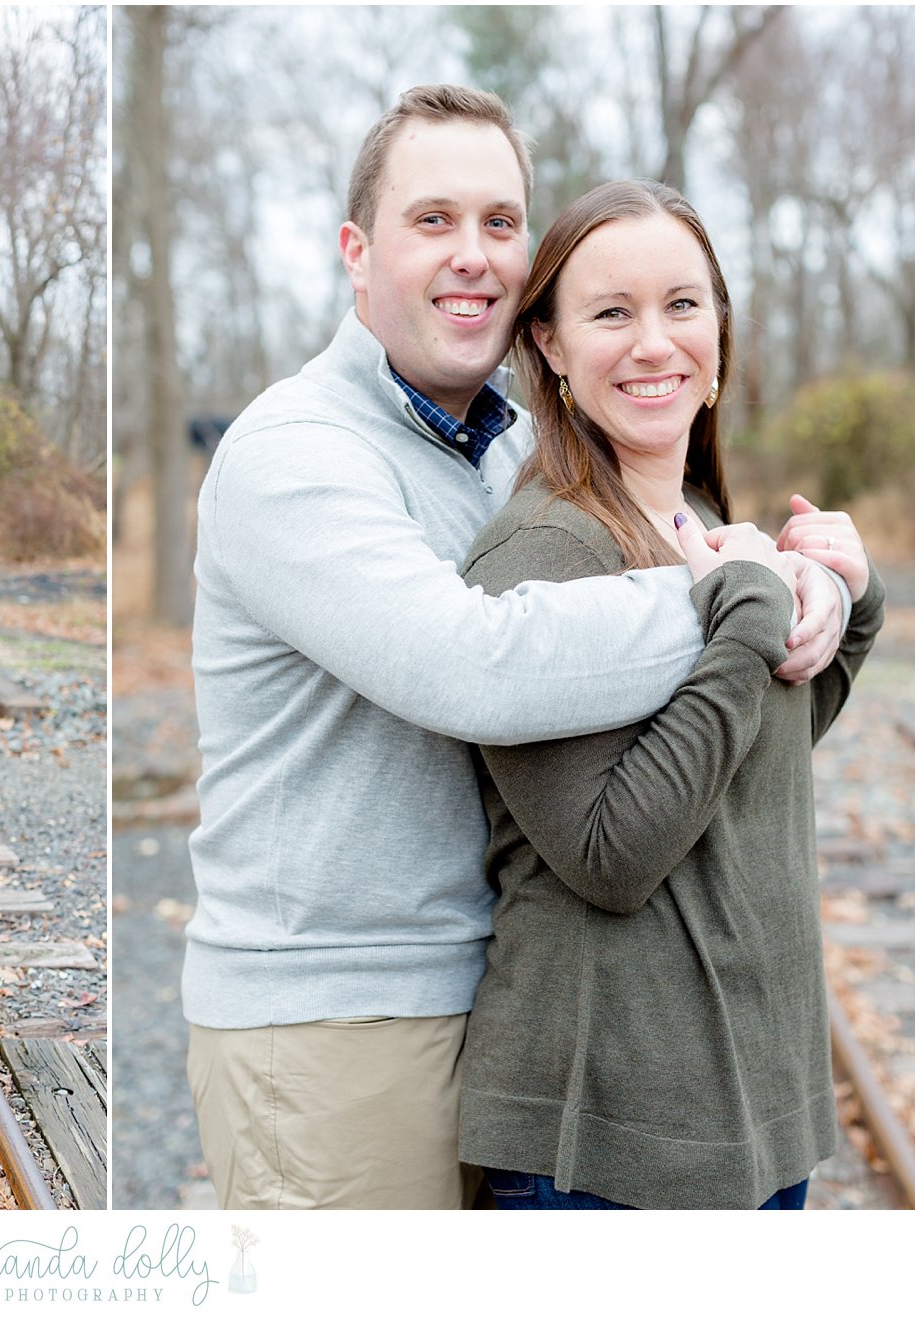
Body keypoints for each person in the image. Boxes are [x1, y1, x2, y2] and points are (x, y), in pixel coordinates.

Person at [182, 85, 857, 1210]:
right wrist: (739, 595)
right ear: (357, 252)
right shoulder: (293, 451)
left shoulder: (501, 456)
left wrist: (830, 594)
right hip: (340, 1016)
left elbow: (698, 722)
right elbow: (475, 666)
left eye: (501, 223)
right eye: (432, 220)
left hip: (489, 998)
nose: (474, 256)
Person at [456, 180, 883, 1211]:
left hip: (749, 1115)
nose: (654, 342)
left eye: (682, 304)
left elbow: (738, 764)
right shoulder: (543, 552)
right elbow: (611, 852)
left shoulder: (695, 519)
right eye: (611, 312)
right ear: (550, 347)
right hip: (606, 1142)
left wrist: (847, 605)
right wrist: (746, 607)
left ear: (721, 333)